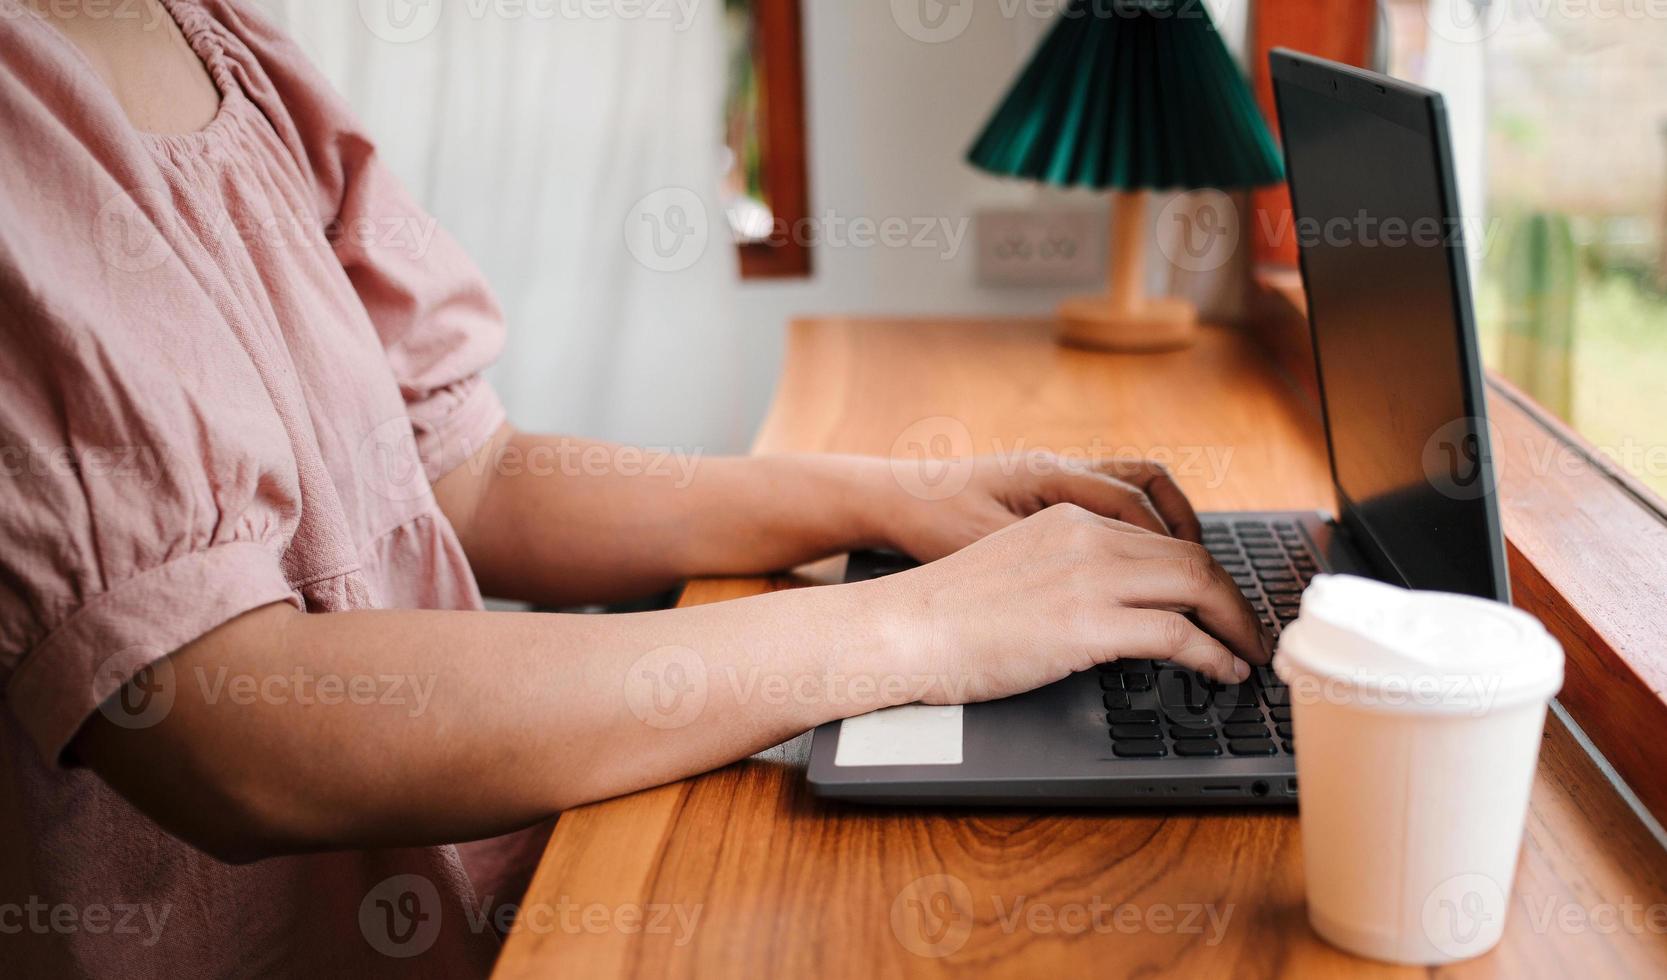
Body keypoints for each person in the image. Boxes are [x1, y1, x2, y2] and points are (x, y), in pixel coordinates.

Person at [0, 0, 1269, 974]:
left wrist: (886, 495)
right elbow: (228, 725)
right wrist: (922, 626)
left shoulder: (234, 52)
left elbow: (472, 472)